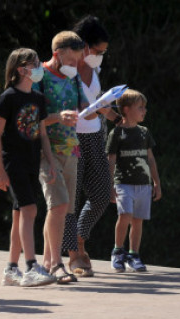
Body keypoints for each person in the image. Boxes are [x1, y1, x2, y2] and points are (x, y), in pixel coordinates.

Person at [0, 48, 58, 287]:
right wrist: (0, 169)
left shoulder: (38, 99)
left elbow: (42, 134)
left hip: (32, 162)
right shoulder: (8, 97)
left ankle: (11, 268)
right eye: (35, 63)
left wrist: (49, 163)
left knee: (20, 213)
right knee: (30, 210)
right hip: (14, 163)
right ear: (21, 69)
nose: (39, 67)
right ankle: (30, 266)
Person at [34, 31, 93, 284]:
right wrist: (58, 117)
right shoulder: (40, 77)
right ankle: (54, 262)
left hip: (72, 149)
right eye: (70, 61)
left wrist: (98, 108)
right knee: (56, 205)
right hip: (46, 150)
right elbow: (31, 119)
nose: (74, 66)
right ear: (56, 54)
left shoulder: (75, 78)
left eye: (77, 62)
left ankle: (49, 262)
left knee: (64, 209)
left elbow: (84, 112)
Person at [64, 16, 117, 276]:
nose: (100, 56)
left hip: (94, 135)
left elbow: (96, 102)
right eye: (98, 51)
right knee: (70, 199)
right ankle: (74, 255)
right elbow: (58, 102)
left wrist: (112, 113)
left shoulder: (94, 69)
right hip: (71, 138)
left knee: (102, 193)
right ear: (84, 45)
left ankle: (80, 238)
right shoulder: (66, 68)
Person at [106, 89, 161, 273]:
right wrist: (110, 185)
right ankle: (117, 251)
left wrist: (157, 183)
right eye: (140, 107)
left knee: (138, 221)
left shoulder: (145, 132)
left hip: (143, 184)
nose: (144, 111)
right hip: (123, 183)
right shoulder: (117, 133)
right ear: (127, 109)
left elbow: (151, 159)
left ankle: (133, 254)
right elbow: (111, 159)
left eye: (144, 107)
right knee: (125, 215)